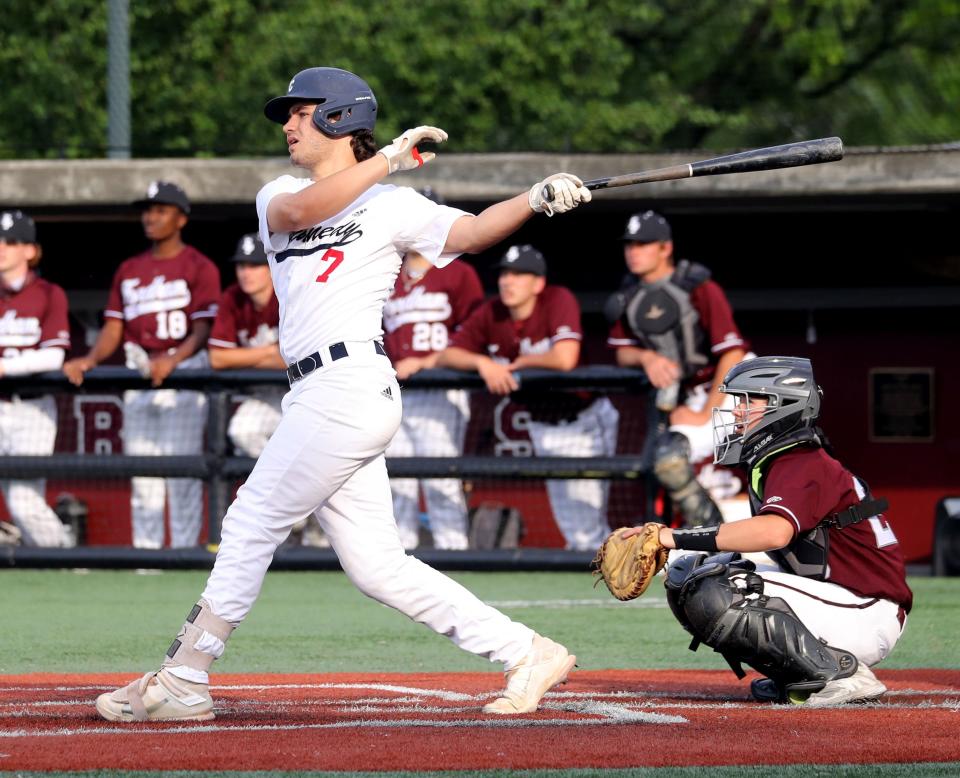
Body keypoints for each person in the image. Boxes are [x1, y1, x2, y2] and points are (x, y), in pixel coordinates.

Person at [95, 65, 591, 723]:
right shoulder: (281, 192)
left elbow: (470, 234)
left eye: (300, 112)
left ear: (338, 117)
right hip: (311, 391)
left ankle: (187, 674)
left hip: (350, 383)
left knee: (250, 519)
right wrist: (388, 159)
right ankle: (526, 650)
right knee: (377, 567)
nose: (289, 125)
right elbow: (303, 211)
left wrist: (535, 198)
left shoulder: (394, 206)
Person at [628, 356, 912, 706]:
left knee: (714, 585)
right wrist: (679, 549)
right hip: (844, 602)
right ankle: (801, 675)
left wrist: (674, 536)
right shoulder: (783, 458)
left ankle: (839, 675)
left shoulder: (800, 459)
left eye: (748, 400)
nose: (736, 412)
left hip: (864, 609)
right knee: (691, 570)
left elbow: (774, 532)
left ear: (782, 404)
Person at [63, 181, 221, 549]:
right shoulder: (130, 268)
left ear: (181, 218)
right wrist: (90, 358)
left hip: (185, 375)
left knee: (182, 477)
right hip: (139, 371)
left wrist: (173, 359)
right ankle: (146, 557)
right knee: (143, 477)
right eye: (147, 210)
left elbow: (202, 328)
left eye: (161, 210)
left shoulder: (199, 266)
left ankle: (182, 557)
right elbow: (114, 327)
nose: (150, 217)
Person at [437, 244, 620, 551]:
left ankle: (619, 572)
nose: (508, 281)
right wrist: (483, 363)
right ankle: (601, 573)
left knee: (586, 516)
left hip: (583, 418)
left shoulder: (557, 299)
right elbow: (448, 354)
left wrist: (521, 362)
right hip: (541, 423)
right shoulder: (492, 311)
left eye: (519, 275)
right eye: (505, 274)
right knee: (571, 520)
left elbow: (565, 358)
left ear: (538, 283)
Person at [606, 210, 747, 529]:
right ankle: (717, 539)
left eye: (643, 244)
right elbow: (622, 352)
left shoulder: (697, 285)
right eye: (630, 245)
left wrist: (706, 413)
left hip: (736, 386)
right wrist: (647, 358)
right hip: (694, 395)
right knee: (668, 460)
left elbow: (733, 352)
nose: (634, 251)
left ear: (665, 248)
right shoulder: (629, 294)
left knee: (770, 459)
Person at [382, 189, 484, 549]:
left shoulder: (459, 273)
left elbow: (474, 335)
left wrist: (427, 362)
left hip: (442, 388)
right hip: (397, 391)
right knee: (398, 481)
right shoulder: (387, 271)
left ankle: (454, 553)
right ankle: (399, 558)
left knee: (441, 478)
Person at [0, 210, 72, 547]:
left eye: (11, 242)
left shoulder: (48, 293)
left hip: (32, 408)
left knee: (24, 501)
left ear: (30, 250)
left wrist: (6, 367)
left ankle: (65, 558)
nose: (2, 248)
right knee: (18, 503)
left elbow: (54, 355)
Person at [208, 233, 285, 458]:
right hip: (262, 394)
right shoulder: (233, 297)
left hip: (299, 391)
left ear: (271, 267)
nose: (245, 273)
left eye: (254, 265)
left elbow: (291, 359)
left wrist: (243, 359)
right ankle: (277, 486)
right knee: (242, 431)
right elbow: (218, 358)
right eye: (241, 265)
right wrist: (270, 351)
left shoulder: (287, 293)